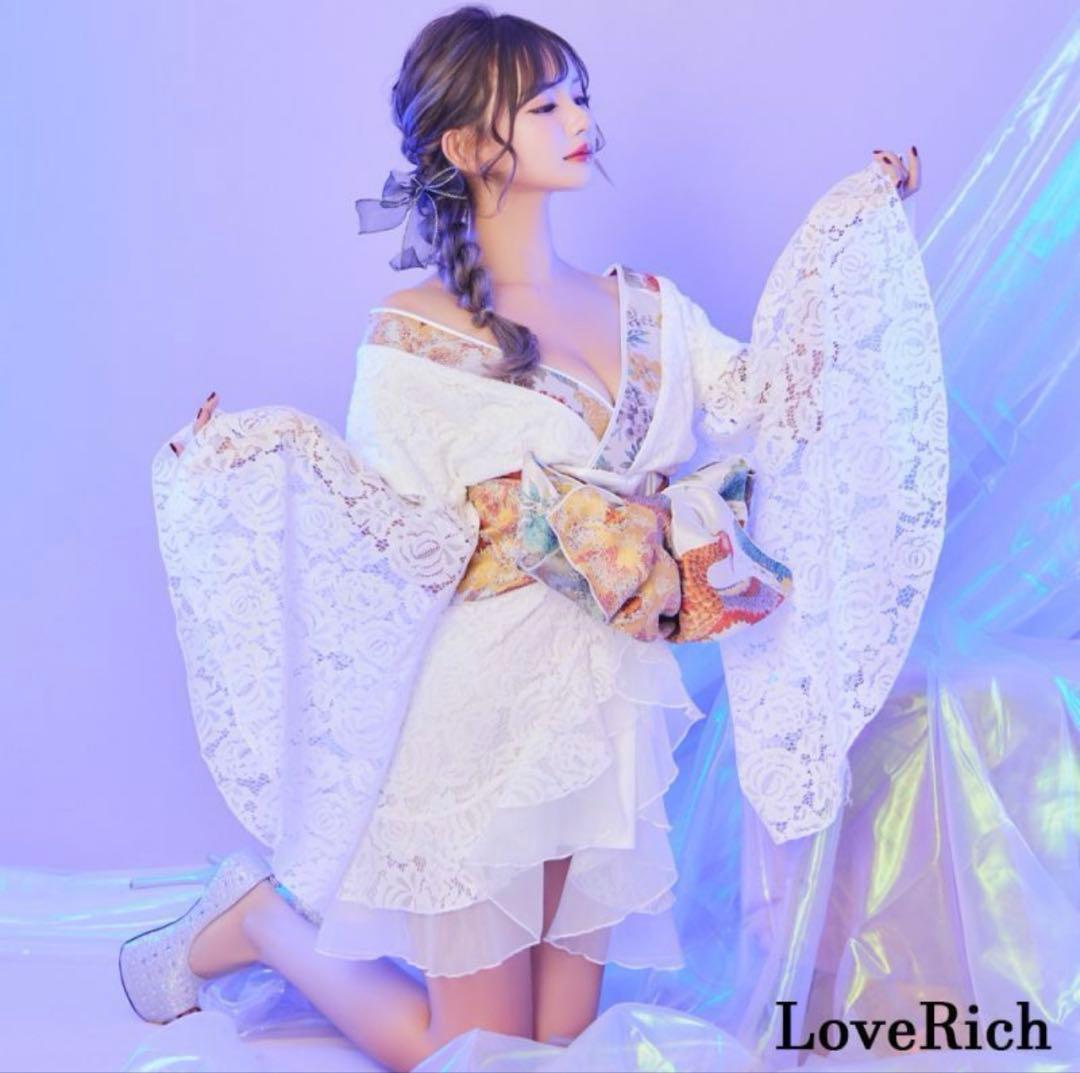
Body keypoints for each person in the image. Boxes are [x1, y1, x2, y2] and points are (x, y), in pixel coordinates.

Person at [117, 6, 943, 1072]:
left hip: (606, 701)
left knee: (562, 1046)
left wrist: (849, 232)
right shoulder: (412, 335)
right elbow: (400, 537)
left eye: (579, 97)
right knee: (474, 1052)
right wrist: (260, 452)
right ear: (467, 145)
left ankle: (279, 924)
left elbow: (773, 399)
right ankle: (263, 920)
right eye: (545, 105)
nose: (579, 120)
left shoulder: (649, 308)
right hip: (480, 713)